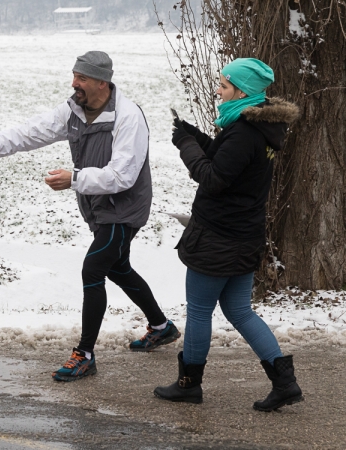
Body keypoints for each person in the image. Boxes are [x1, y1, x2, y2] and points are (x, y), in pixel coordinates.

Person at [0, 51, 181, 382]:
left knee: (93, 268)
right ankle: (161, 326)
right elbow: (34, 131)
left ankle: (85, 354)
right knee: (118, 267)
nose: (74, 83)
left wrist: (75, 179)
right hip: (98, 206)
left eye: (81, 78)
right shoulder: (75, 110)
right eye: (74, 75)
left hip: (124, 207)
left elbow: (123, 175)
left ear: (101, 83)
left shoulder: (127, 117)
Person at [154, 58, 302, 411]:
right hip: (244, 236)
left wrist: (186, 147)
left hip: (218, 239)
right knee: (239, 310)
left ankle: (189, 385)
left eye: (223, 85)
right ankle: (285, 383)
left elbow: (214, 178)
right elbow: (227, 162)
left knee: (201, 311)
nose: (218, 90)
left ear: (242, 90)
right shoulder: (254, 127)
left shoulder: (243, 132)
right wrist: (193, 135)